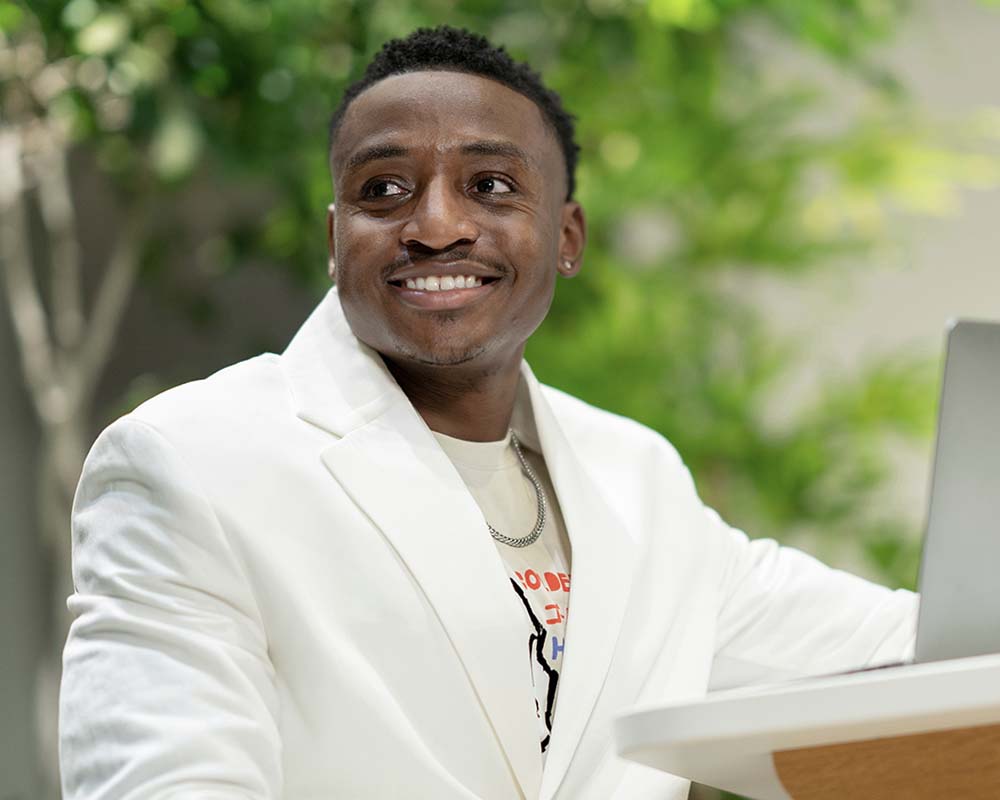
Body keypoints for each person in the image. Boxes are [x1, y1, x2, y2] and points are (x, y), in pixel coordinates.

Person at [59, 25, 917, 800]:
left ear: (567, 236)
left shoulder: (639, 478)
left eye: (491, 184)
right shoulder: (191, 463)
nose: (435, 225)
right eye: (385, 188)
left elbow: (908, 642)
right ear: (334, 239)